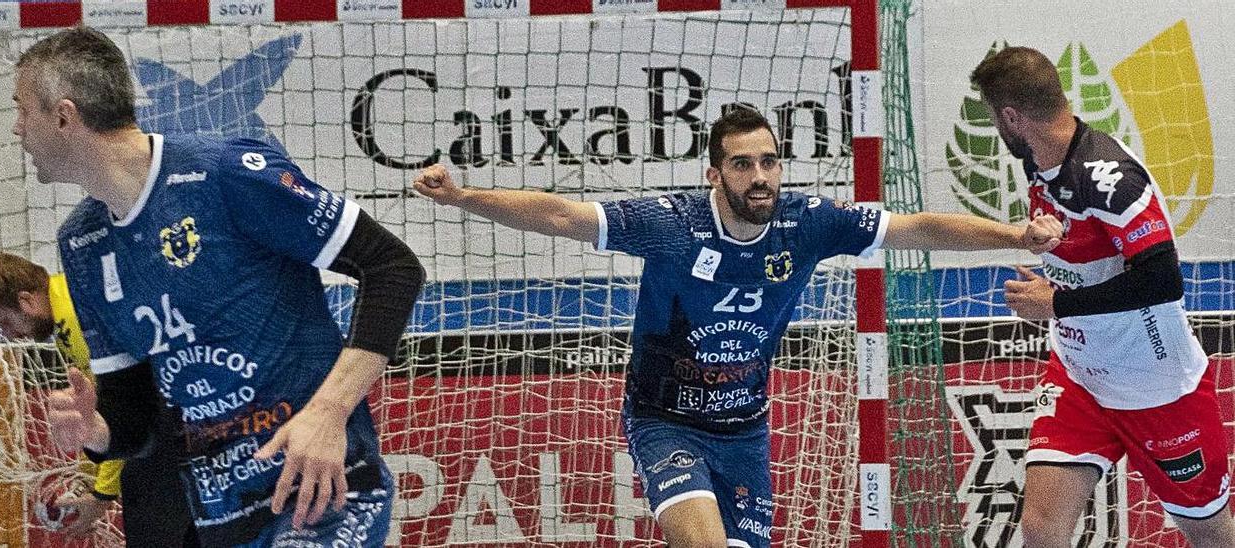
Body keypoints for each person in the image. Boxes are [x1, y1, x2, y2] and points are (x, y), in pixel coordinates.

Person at [413, 107, 1062, 547]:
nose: (760, 176)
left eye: (769, 162)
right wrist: (465, 197)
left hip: (746, 432)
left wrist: (1013, 234)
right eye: (744, 165)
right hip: (665, 421)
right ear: (715, 173)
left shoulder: (807, 222)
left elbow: (915, 227)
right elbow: (560, 215)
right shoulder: (670, 224)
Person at [15, 26, 425, 547]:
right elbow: (135, 413)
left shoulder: (224, 173)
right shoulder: (82, 243)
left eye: (23, 109)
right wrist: (97, 433)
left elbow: (392, 266)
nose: (17, 128)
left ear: (64, 116)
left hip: (322, 495)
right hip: (223, 517)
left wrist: (330, 412)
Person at [973, 46, 1235, 548]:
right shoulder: (1040, 162)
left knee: (1211, 536)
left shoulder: (1107, 176)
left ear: (1012, 117)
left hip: (1158, 388)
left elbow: (1162, 280)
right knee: (1041, 529)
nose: (999, 131)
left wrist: (1055, 304)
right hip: (1081, 376)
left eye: (995, 119)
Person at [0, 252, 199, 547]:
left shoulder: (76, 317)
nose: (9, 335)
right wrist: (89, 482)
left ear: (26, 301)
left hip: (173, 430)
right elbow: (97, 415)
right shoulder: (69, 303)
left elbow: (121, 416)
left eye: (5, 323)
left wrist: (101, 494)